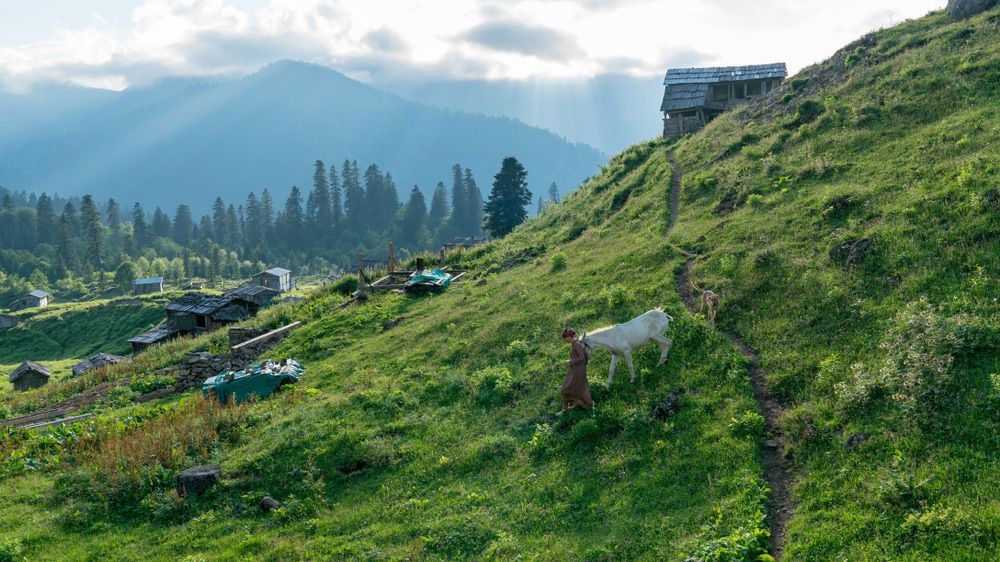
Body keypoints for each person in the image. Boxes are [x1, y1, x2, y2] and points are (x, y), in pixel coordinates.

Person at [560, 327, 593, 412]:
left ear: (569, 337)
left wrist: (570, 362)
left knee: (570, 389)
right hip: (575, 369)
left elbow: (581, 357)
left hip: (578, 371)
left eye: (565, 338)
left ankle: (586, 405)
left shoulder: (577, 344)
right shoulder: (575, 344)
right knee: (567, 389)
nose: (565, 340)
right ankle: (566, 409)